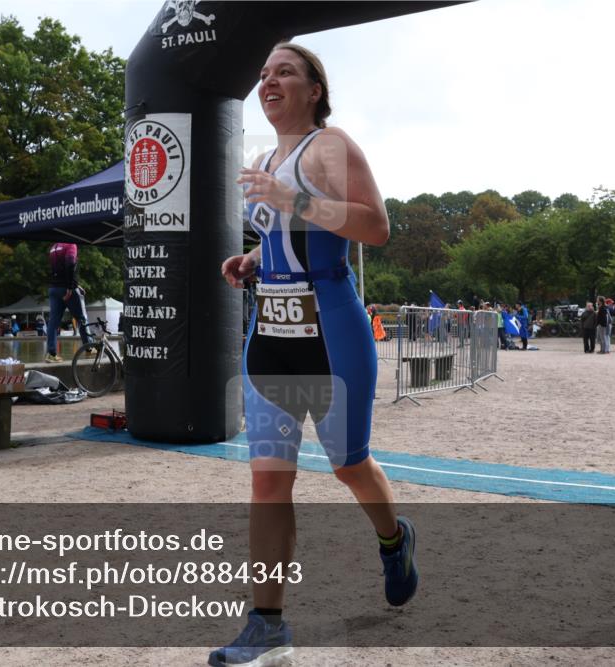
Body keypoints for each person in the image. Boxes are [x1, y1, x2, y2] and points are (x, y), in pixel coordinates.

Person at [216, 42, 415, 667]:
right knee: (268, 483)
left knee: (350, 466)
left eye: (285, 72)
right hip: (268, 336)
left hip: (331, 331)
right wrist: (251, 261)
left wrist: (291, 198)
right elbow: (285, 234)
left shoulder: (331, 146)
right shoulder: (261, 157)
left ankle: (393, 537)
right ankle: (267, 625)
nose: (268, 81)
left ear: (314, 90)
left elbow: (374, 226)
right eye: (264, 74)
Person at [45, 242, 91, 363]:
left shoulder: (54, 247)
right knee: (82, 318)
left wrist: (77, 285)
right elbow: (70, 264)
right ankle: (89, 347)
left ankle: (51, 354)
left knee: (53, 322)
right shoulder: (71, 245)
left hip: (53, 288)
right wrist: (71, 287)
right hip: (66, 289)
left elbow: (58, 271)